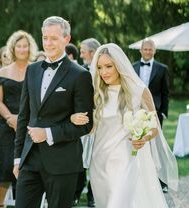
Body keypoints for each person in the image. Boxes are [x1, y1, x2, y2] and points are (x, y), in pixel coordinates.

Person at [71, 43, 178, 208]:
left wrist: (144, 137)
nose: (104, 72)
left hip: (127, 160)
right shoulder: (96, 93)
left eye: (109, 66)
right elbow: (91, 129)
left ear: (119, 65)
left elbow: (155, 126)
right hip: (99, 162)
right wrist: (75, 119)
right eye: (99, 67)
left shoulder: (139, 91)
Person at [13, 16, 94, 208]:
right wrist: (18, 158)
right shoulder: (32, 70)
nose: (48, 43)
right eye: (45, 38)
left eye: (54, 38)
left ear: (66, 39)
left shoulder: (80, 75)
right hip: (30, 159)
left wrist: (48, 133)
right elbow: (24, 117)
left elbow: (86, 125)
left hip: (62, 162)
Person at [0, 30, 38, 207]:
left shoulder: (36, 69)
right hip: (6, 125)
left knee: (26, 166)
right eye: (18, 46)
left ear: (29, 48)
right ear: (13, 48)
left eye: (25, 46)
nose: (22, 49)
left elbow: (38, 98)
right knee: (5, 164)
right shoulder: (3, 71)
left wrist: (22, 120)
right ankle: (0, 204)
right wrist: (9, 117)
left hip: (29, 124)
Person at [132, 38, 170, 192]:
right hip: (135, 112)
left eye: (150, 49)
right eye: (145, 49)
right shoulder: (132, 67)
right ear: (141, 50)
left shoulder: (162, 69)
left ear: (154, 51)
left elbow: (165, 92)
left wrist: (163, 113)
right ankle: (137, 177)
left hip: (155, 113)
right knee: (136, 143)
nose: (148, 51)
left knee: (157, 146)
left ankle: (162, 181)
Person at [73, 37, 100, 207]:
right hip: (83, 121)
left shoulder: (103, 71)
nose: (81, 53)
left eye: (83, 50)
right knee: (81, 158)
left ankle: (93, 195)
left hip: (101, 121)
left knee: (97, 161)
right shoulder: (81, 70)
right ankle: (76, 192)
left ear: (92, 52)